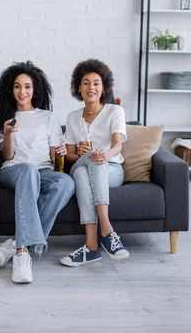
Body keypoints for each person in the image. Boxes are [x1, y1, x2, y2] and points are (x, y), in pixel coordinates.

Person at [0, 61, 74, 284]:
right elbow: (7, 156)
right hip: (14, 171)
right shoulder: (3, 117)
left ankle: (16, 244)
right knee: (28, 170)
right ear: (11, 89)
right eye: (17, 86)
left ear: (35, 89)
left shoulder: (47, 117)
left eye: (27, 86)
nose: (22, 91)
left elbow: (55, 161)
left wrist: (61, 151)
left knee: (65, 182)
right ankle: (21, 255)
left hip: (43, 172)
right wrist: (7, 133)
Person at [59, 59, 129, 267]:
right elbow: (70, 157)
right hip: (83, 164)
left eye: (96, 83)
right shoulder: (73, 118)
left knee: (88, 167)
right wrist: (83, 154)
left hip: (112, 169)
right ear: (79, 88)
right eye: (86, 83)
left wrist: (104, 155)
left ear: (103, 87)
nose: (91, 87)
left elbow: (117, 146)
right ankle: (107, 233)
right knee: (86, 164)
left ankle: (92, 245)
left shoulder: (115, 112)